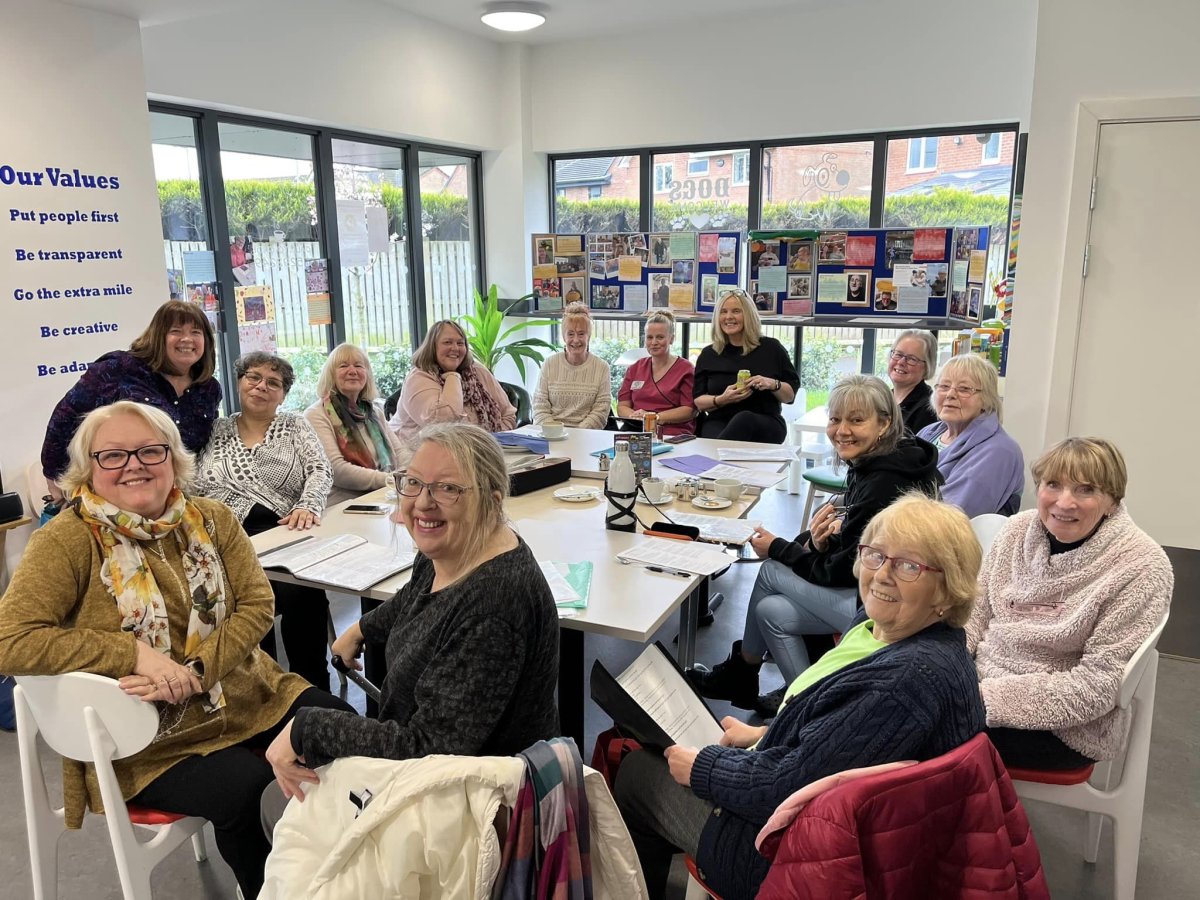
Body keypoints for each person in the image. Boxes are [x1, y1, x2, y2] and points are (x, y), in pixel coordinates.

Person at [0, 402, 352, 899]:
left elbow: (256, 604)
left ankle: (346, 870)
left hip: (247, 692)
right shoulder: (66, 539)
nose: (134, 465)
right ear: (88, 467)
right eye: (113, 455)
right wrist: (133, 655)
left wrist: (198, 668)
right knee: (247, 790)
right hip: (147, 733)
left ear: (174, 458)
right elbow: (10, 639)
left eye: (150, 450)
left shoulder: (211, 518)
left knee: (341, 725)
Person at [617, 495, 986, 900]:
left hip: (796, 862)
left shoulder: (904, 683)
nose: (882, 575)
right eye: (875, 555)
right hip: (851, 836)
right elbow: (839, 742)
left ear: (948, 589)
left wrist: (705, 768)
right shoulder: (901, 637)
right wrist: (763, 735)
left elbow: (780, 790)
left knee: (637, 771)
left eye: (909, 566)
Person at [262, 424, 560, 807]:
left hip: (472, 805)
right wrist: (363, 627)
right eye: (414, 482)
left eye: (448, 488)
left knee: (275, 805)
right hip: (432, 766)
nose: (422, 503)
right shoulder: (461, 546)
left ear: (491, 500)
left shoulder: (494, 608)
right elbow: (418, 594)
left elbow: (428, 751)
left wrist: (309, 728)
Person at [689, 375, 942, 710]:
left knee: (770, 570)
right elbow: (856, 546)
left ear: (884, 423)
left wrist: (781, 547)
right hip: (889, 595)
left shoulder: (883, 480)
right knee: (771, 610)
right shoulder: (893, 458)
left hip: (886, 607)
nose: (841, 430)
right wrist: (816, 544)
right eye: (835, 419)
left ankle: (743, 672)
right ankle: (805, 703)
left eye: (856, 420)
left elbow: (840, 573)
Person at [968, 437, 1174, 770]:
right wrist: (947, 669)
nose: (1064, 502)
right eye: (1053, 484)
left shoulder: (1142, 566)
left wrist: (979, 700)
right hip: (974, 683)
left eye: (1086, 490)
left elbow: (1097, 688)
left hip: (1063, 727)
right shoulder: (1018, 530)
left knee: (912, 728)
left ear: (1112, 501)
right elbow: (973, 612)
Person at [193, 352, 335, 690]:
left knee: (305, 590)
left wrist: (308, 505)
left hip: (286, 534)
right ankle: (261, 693)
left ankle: (312, 687)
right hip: (227, 541)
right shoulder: (216, 429)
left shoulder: (295, 425)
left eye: (273, 382)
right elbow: (195, 483)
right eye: (253, 377)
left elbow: (320, 469)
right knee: (244, 600)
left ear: (283, 394)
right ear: (240, 383)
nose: (261, 386)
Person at [40, 299, 221, 503]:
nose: (187, 339)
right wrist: (59, 484)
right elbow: (63, 420)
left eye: (196, 333)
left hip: (175, 499)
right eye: (176, 331)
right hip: (111, 495)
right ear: (157, 336)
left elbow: (203, 450)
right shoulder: (119, 369)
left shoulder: (209, 389)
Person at [917, 354, 1024, 517]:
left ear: (987, 399)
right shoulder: (928, 433)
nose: (950, 394)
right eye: (944, 386)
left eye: (964, 389)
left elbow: (953, 516)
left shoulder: (999, 451)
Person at [304, 343, 406, 507]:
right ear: (331, 374)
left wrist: (412, 474)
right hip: (343, 505)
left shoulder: (374, 412)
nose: (352, 371)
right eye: (343, 366)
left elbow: (400, 453)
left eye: (359, 366)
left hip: (384, 496)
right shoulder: (316, 415)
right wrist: (392, 479)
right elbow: (336, 470)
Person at [692, 290, 799, 443]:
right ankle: (721, 459)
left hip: (765, 423)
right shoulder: (709, 354)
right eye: (723, 312)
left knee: (744, 419)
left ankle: (712, 462)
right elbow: (699, 401)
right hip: (719, 421)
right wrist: (722, 399)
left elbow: (789, 397)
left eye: (736, 311)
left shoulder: (772, 348)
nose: (729, 317)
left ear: (748, 315)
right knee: (712, 432)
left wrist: (772, 384)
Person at [390, 319, 516, 445]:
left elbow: (508, 414)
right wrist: (453, 377)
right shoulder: (418, 378)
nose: (455, 348)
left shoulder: (477, 371)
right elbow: (444, 423)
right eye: (447, 342)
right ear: (432, 346)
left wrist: (491, 443)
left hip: (478, 453)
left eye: (460, 343)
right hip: (418, 455)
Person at [532, 302, 612, 429]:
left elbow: (601, 410)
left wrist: (578, 434)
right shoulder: (549, 363)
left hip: (586, 437)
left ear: (589, 336)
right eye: (570, 334)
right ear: (564, 337)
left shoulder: (602, 367)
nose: (576, 340)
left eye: (581, 334)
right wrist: (556, 432)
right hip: (550, 436)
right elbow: (539, 406)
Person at [616, 310, 695, 437]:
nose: (654, 342)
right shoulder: (635, 368)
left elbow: (689, 410)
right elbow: (622, 406)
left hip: (672, 434)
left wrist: (654, 418)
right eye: (649, 337)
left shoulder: (686, 369)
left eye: (660, 337)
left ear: (671, 339)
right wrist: (634, 416)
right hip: (636, 431)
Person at [885, 329, 938, 434]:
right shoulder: (881, 399)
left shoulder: (928, 409)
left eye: (912, 359)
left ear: (927, 367)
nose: (901, 362)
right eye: (898, 354)